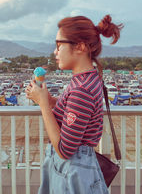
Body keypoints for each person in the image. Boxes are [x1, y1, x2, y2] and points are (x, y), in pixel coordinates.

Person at [26, 15, 123, 194]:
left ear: (80, 46)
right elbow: (74, 109)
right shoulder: (87, 78)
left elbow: (65, 149)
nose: (55, 52)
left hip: (70, 172)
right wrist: (48, 99)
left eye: (58, 45)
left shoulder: (82, 89)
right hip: (75, 169)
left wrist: (43, 104)